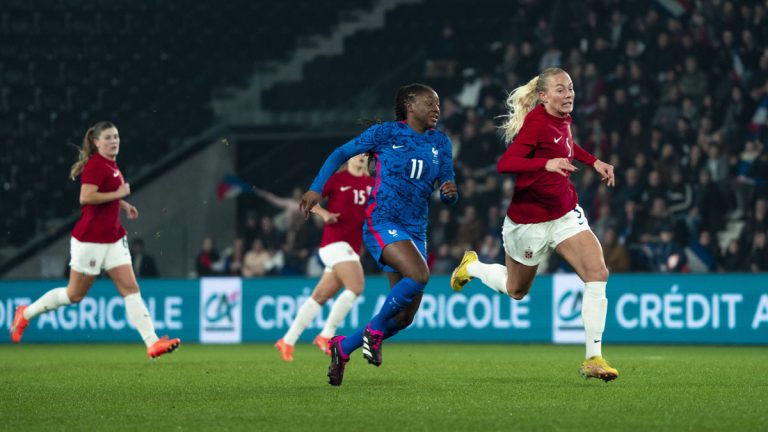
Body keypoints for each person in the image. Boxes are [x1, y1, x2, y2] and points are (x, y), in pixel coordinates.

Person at [449, 68, 619, 382]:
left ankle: (594, 358)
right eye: (560, 89)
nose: (568, 94)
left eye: (570, 88)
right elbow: (506, 164)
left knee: (597, 273)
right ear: (543, 96)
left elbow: (567, 147)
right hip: (529, 222)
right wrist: (545, 163)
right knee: (516, 290)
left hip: (564, 212)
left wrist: (593, 161)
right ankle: (471, 267)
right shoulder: (537, 123)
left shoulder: (562, 118)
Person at [299, 83, 458, 386]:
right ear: (410, 105)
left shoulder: (441, 142)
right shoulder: (386, 133)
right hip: (382, 220)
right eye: (430, 102)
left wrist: (450, 192)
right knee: (420, 275)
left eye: (438, 104)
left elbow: (447, 185)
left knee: (404, 318)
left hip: (416, 229)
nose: (437, 108)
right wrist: (316, 188)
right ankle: (373, 333)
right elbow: (340, 153)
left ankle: (342, 347)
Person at [9, 121, 181, 358]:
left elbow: (104, 193)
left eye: (117, 136)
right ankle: (25, 314)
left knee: (131, 289)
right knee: (74, 295)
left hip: (113, 238)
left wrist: (122, 204)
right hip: (91, 240)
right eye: (109, 137)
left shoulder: (112, 166)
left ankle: (152, 343)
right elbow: (86, 197)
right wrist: (119, 194)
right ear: (97, 142)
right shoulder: (95, 165)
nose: (114, 141)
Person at [275, 154, 374, 361]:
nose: (362, 157)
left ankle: (287, 340)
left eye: (366, 155)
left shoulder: (371, 184)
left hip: (351, 248)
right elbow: (308, 201)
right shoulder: (337, 179)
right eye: (358, 153)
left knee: (318, 297)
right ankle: (326, 335)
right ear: (349, 158)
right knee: (356, 287)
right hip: (334, 243)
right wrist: (324, 214)